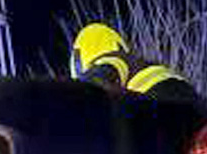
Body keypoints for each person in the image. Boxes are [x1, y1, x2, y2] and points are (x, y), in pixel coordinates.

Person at [69, 22, 199, 102]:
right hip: (191, 106)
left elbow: (87, 90)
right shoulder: (138, 65)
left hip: (158, 103)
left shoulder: (111, 60)